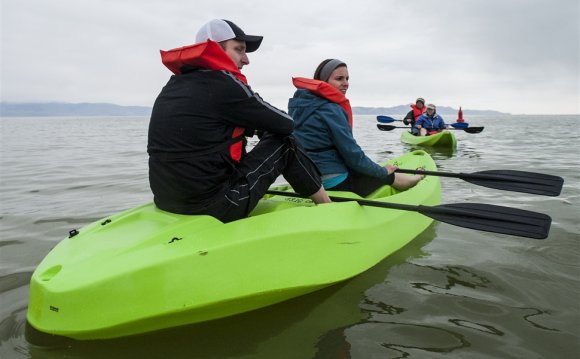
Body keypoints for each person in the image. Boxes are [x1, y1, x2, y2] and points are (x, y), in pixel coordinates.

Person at [147, 19, 331, 222]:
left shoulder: (173, 85)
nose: (246, 59)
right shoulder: (224, 84)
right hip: (216, 206)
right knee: (285, 142)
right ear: (216, 50)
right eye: (239, 49)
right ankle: (328, 209)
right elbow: (286, 123)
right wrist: (267, 129)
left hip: (166, 201)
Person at [288, 59, 424, 198]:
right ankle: (418, 178)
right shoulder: (330, 109)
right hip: (333, 182)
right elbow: (353, 155)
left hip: (307, 179)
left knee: (364, 170)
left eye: (347, 78)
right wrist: (383, 171)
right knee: (389, 176)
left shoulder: (298, 107)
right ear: (323, 81)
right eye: (339, 78)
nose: (346, 83)